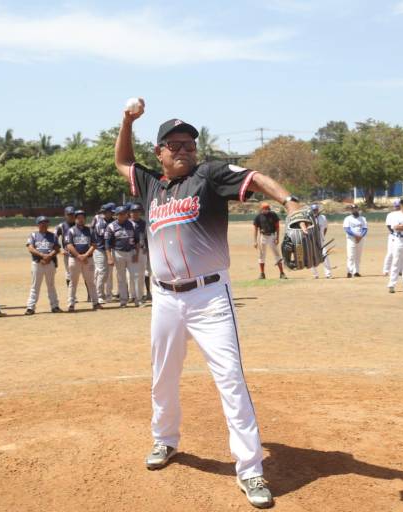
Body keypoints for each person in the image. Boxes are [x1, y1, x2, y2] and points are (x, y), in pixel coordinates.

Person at [115, 104, 303, 509]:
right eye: (174, 144)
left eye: (189, 144)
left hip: (209, 296)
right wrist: (127, 121)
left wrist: (290, 203)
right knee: (163, 375)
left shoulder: (210, 175)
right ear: (159, 152)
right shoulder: (150, 186)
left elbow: (256, 178)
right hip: (164, 297)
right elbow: (122, 161)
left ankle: (251, 469)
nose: (183, 149)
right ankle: (165, 440)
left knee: (230, 379)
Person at [24, 216, 61, 315]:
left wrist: (49, 256)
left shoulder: (53, 236)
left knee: (51, 285)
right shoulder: (33, 235)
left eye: (46, 222)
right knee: (35, 286)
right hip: (37, 263)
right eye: (41, 222)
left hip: (50, 263)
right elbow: (30, 248)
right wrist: (42, 256)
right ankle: (30, 308)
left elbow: (57, 248)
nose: (44, 224)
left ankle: (55, 306)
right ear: (38, 224)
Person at [65, 210, 100, 311]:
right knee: (73, 282)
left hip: (88, 259)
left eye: (82, 217)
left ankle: (95, 302)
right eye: (78, 217)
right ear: (75, 219)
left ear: (85, 219)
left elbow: (94, 245)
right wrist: (79, 256)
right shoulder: (71, 231)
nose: (80, 219)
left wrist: (85, 255)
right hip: (74, 259)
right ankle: (71, 304)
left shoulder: (90, 231)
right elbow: (69, 245)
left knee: (91, 282)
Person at [105, 206, 140, 307]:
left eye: (124, 213)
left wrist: (137, 254)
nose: (122, 215)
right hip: (118, 253)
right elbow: (107, 244)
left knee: (135, 276)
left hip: (131, 252)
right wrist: (109, 257)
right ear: (116, 215)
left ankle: (137, 298)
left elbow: (137, 241)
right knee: (121, 278)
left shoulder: (133, 225)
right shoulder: (111, 226)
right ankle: (123, 300)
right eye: (120, 214)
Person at [252, 202, 287, 280]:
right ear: (261, 209)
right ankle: (262, 274)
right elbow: (255, 229)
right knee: (261, 255)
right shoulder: (258, 216)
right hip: (263, 236)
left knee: (277, 255)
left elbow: (277, 227)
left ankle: (282, 273)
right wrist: (255, 241)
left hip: (272, 236)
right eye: (264, 209)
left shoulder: (273, 215)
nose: (266, 210)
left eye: (267, 209)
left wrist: (277, 237)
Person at [92, 204, 115, 304]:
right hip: (100, 250)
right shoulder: (100, 223)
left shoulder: (113, 221)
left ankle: (109, 294)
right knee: (102, 272)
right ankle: (99, 295)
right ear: (106, 212)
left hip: (110, 250)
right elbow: (105, 239)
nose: (113, 213)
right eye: (111, 212)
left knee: (109, 273)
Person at [129, 203, 149, 303]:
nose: (135, 214)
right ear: (130, 213)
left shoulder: (144, 223)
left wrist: (146, 247)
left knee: (140, 274)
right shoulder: (128, 224)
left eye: (137, 212)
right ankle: (132, 295)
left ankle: (139, 296)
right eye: (133, 212)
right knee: (131, 275)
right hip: (130, 251)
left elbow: (147, 237)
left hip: (142, 250)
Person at [343, 204, 367, 277]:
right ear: (350, 210)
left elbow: (365, 229)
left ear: (357, 209)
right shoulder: (347, 218)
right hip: (351, 239)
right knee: (351, 255)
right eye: (352, 209)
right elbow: (347, 229)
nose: (353, 210)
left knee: (358, 256)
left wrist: (360, 236)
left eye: (355, 208)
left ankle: (356, 271)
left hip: (360, 239)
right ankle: (349, 272)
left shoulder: (362, 218)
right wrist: (355, 236)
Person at [309, 203, 332, 279]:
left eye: (316, 210)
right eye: (313, 210)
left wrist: (322, 236)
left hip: (321, 241)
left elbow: (325, 228)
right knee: (312, 258)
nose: (315, 211)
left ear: (318, 210)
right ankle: (315, 274)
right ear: (311, 211)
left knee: (325, 256)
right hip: (311, 241)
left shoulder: (323, 218)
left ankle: (328, 274)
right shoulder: (308, 219)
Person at [55, 206, 77, 286]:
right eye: (69, 214)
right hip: (68, 254)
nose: (71, 216)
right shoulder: (61, 226)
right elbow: (54, 238)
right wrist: (60, 250)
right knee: (69, 273)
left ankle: (90, 295)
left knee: (86, 274)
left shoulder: (79, 224)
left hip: (81, 253)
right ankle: (70, 295)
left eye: (72, 214)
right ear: (65, 215)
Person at [382, 199, 399, 275]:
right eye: (396, 206)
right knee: (390, 253)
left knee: (400, 254)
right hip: (393, 236)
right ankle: (386, 270)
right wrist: (395, 232)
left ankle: (400, 270)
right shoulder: (390, 215)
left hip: (402, 237)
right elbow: (388, 226)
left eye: (398, 206)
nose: (397, 207)